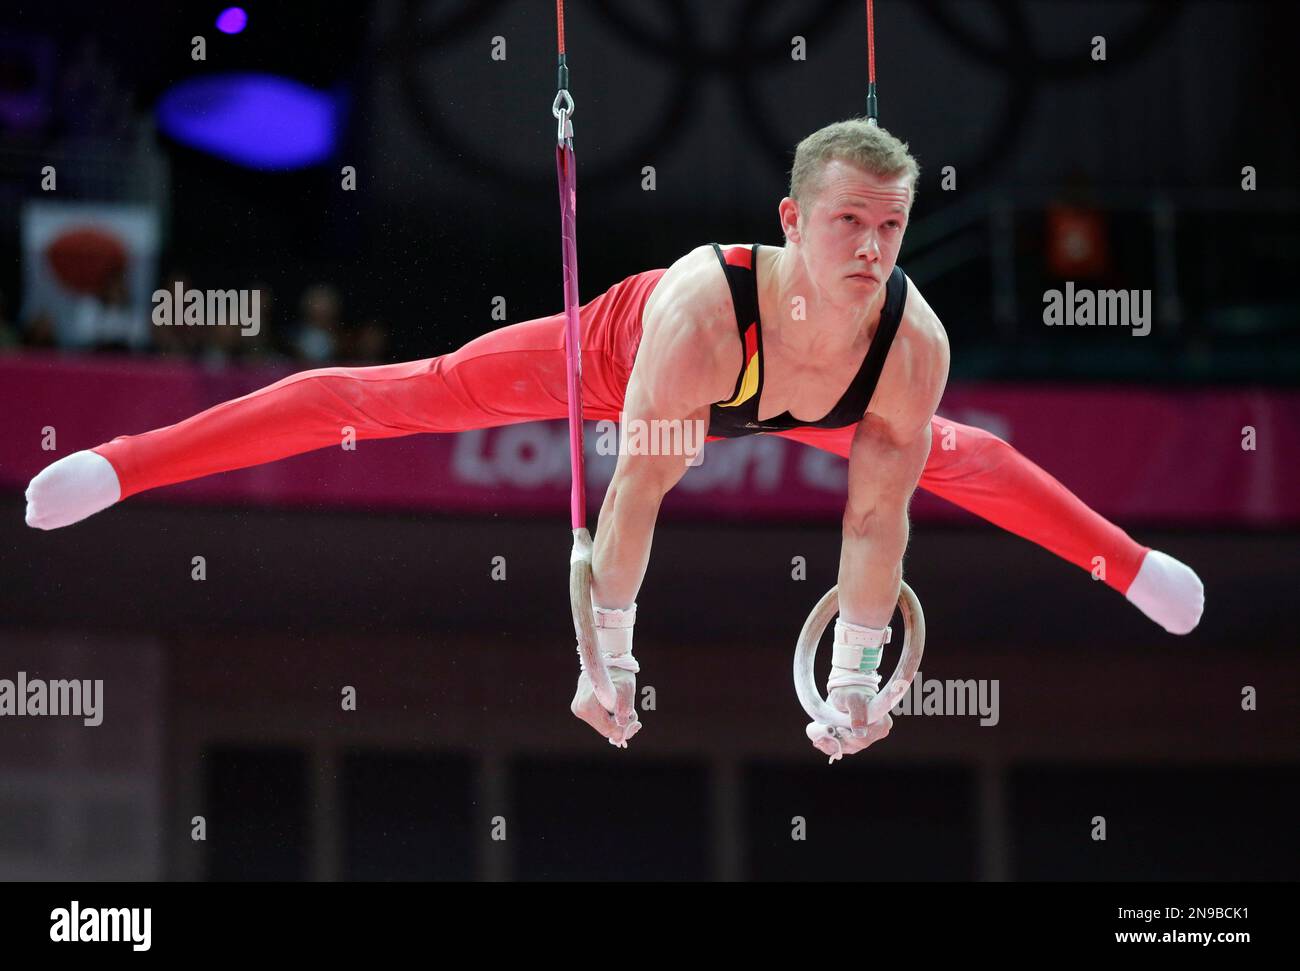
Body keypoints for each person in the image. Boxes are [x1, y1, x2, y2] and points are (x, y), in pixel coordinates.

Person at [24, 119, 1203, 758]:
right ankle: (121, 463)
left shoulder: (911, 336)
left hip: (814, 392)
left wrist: (855, 679)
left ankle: (1135, 564)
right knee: (381, 393)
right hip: (626, 355)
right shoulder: (699, 311)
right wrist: (609, 661)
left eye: (890, 226)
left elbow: (876, 516)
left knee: (955, 453)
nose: (870, 248)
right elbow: (636, 496)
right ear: (792, 218)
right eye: (847, 220)